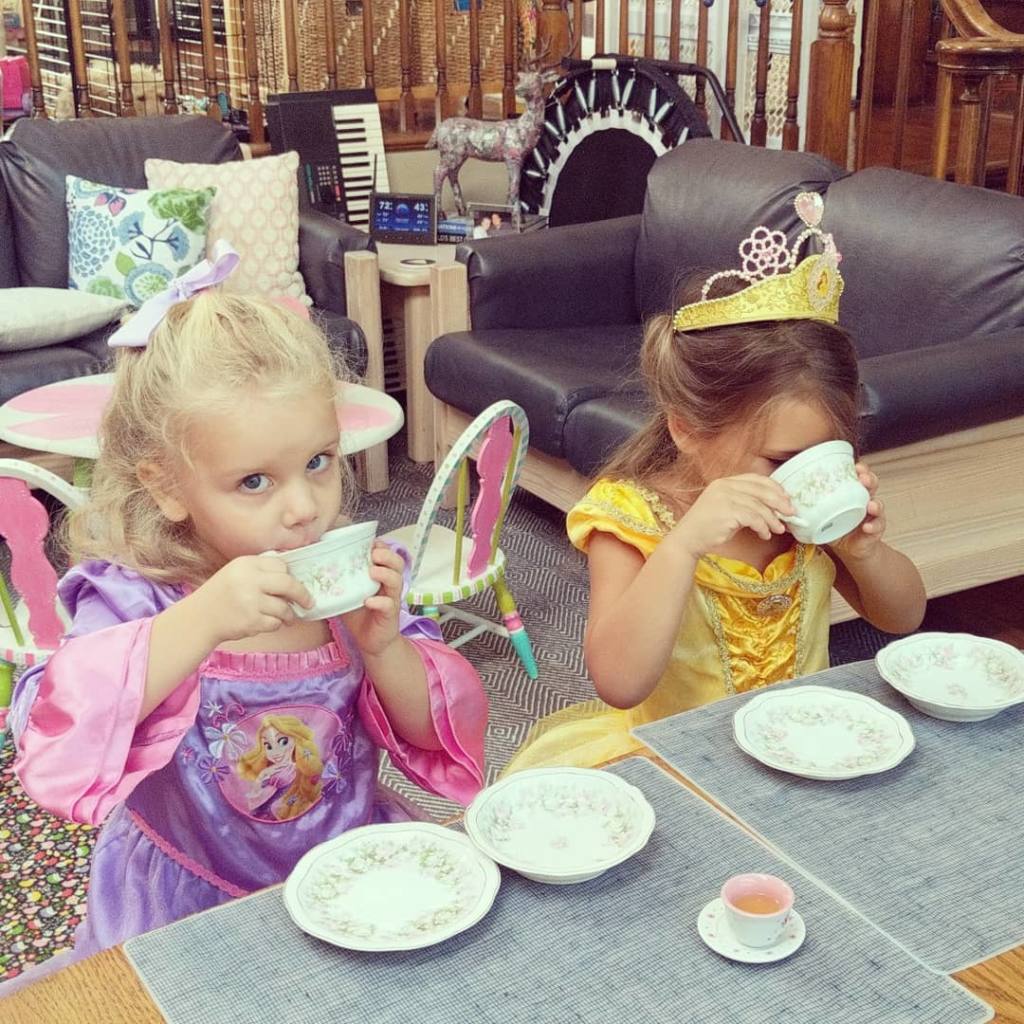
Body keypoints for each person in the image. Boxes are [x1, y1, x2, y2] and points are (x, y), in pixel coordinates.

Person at [5, 242, 487, 989]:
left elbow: (435, 734)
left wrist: (384, 648)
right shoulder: (139, 598)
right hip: (191, 895)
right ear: (168, 487)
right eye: (255, 481)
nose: (303, 509)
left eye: (319, 462)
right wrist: (200, 621)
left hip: (348, 874)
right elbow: (55, 731)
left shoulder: (351, 583)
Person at [503, 193, 925, 773]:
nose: (803, 475)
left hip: (806, 750)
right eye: (780, 459)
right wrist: (682, 548)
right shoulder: (631, 520)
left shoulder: (807, 513)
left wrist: (863, 551)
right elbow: (619, 682)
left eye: (826, 453)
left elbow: (902, 618)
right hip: (682, 764)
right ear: (686, 429)